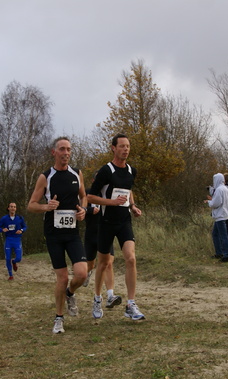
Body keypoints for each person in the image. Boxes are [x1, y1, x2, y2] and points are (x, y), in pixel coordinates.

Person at [27, 136, 88, 334]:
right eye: (62, 149)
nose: (66, 153)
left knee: (82, 273)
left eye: (69, 149)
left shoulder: (77, 173)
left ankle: (70, 293)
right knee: (61, 278)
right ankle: (59, 318)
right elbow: (31, 205)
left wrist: (83, 210)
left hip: (72, 233)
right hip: (53, 234)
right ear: (54, 152)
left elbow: (84, 196)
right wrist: (47, 206)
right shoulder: (46, 177)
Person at [87, 133, 144, 321]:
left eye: (128, 146)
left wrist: (133, 206)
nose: (125, 149)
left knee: (131, 258)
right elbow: (91, 197)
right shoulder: (106, 171)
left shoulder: (131, 171)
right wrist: (111, 202)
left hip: (124, 221)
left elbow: (129, 191)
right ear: (113, 148)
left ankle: (131, 304)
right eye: (122, 146)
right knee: (103, 263)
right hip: (106, 223)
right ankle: (97, 298)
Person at [84, 175, 121, 309]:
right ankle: (87, 273)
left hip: (105, 233)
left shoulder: (108, 195)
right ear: (94, 181)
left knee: (108, 263)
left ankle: (110, 295)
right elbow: (77, 210)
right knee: (90, 265)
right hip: (91, 234)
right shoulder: (87, 193)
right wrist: (89, 210)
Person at [0, 202, 27, 280]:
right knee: (7, 258)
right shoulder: (4, 218)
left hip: (17, 239)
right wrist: (2, 229)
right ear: (8, 208)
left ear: (16, 209)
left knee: (19, 258)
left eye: (14, 207)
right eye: (11, 207)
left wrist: (21, 230)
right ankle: (10, 275)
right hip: (8, 239)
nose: (13, 208)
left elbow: (25, 227)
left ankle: (14, 262)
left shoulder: (20, 218)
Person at [205, 172, 228, 262]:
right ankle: (219, 253)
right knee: (215, 234)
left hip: (220, 215)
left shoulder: (219, 190)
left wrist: (209, 202)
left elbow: (215, 203)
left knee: (223, 235)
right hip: (224, 214)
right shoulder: (225, 188)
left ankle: (226, 255)